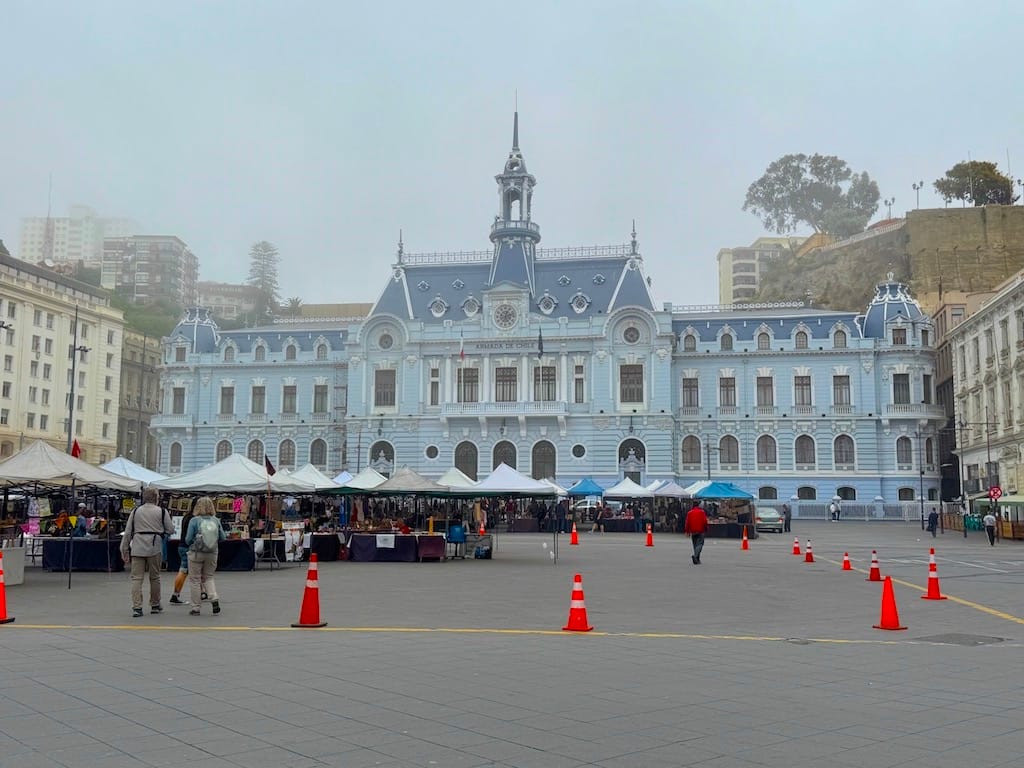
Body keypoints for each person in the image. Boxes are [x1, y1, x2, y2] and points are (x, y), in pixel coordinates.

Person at [120, 487, 174, 618]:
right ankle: (155, 604)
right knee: (154, 577)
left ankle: (137, 607)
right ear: (156, 497)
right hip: (154, 546)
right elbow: (170, 529)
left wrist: (124, 549)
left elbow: (128, 532)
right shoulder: (162, 511)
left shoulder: (136, 511)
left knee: (136, 578)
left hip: (137, 545)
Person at [184, 496, 226, 616]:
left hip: (196, 553)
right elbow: (223, 537)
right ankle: (213, 597)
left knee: (195, 579)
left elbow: (187, 539)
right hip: (212, 553)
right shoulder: (216, 520)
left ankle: (196, 607)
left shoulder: (194, 520)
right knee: (209, 577)